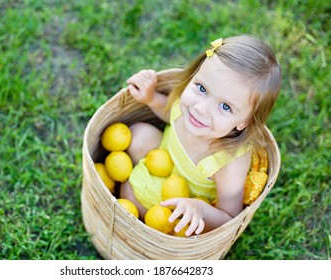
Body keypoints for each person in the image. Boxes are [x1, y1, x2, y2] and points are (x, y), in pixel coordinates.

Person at [119, 35, 281, 236]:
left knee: (135, 201)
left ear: (244, 122)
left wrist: (199, 209)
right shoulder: (189, 106)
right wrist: (151, 98)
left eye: (225, 106)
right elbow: (170, 112)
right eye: (202, 88)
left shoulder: (229, 161)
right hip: (164, 159)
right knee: (138, 134)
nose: (201, 108)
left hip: (187, 201)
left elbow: (230, 217)